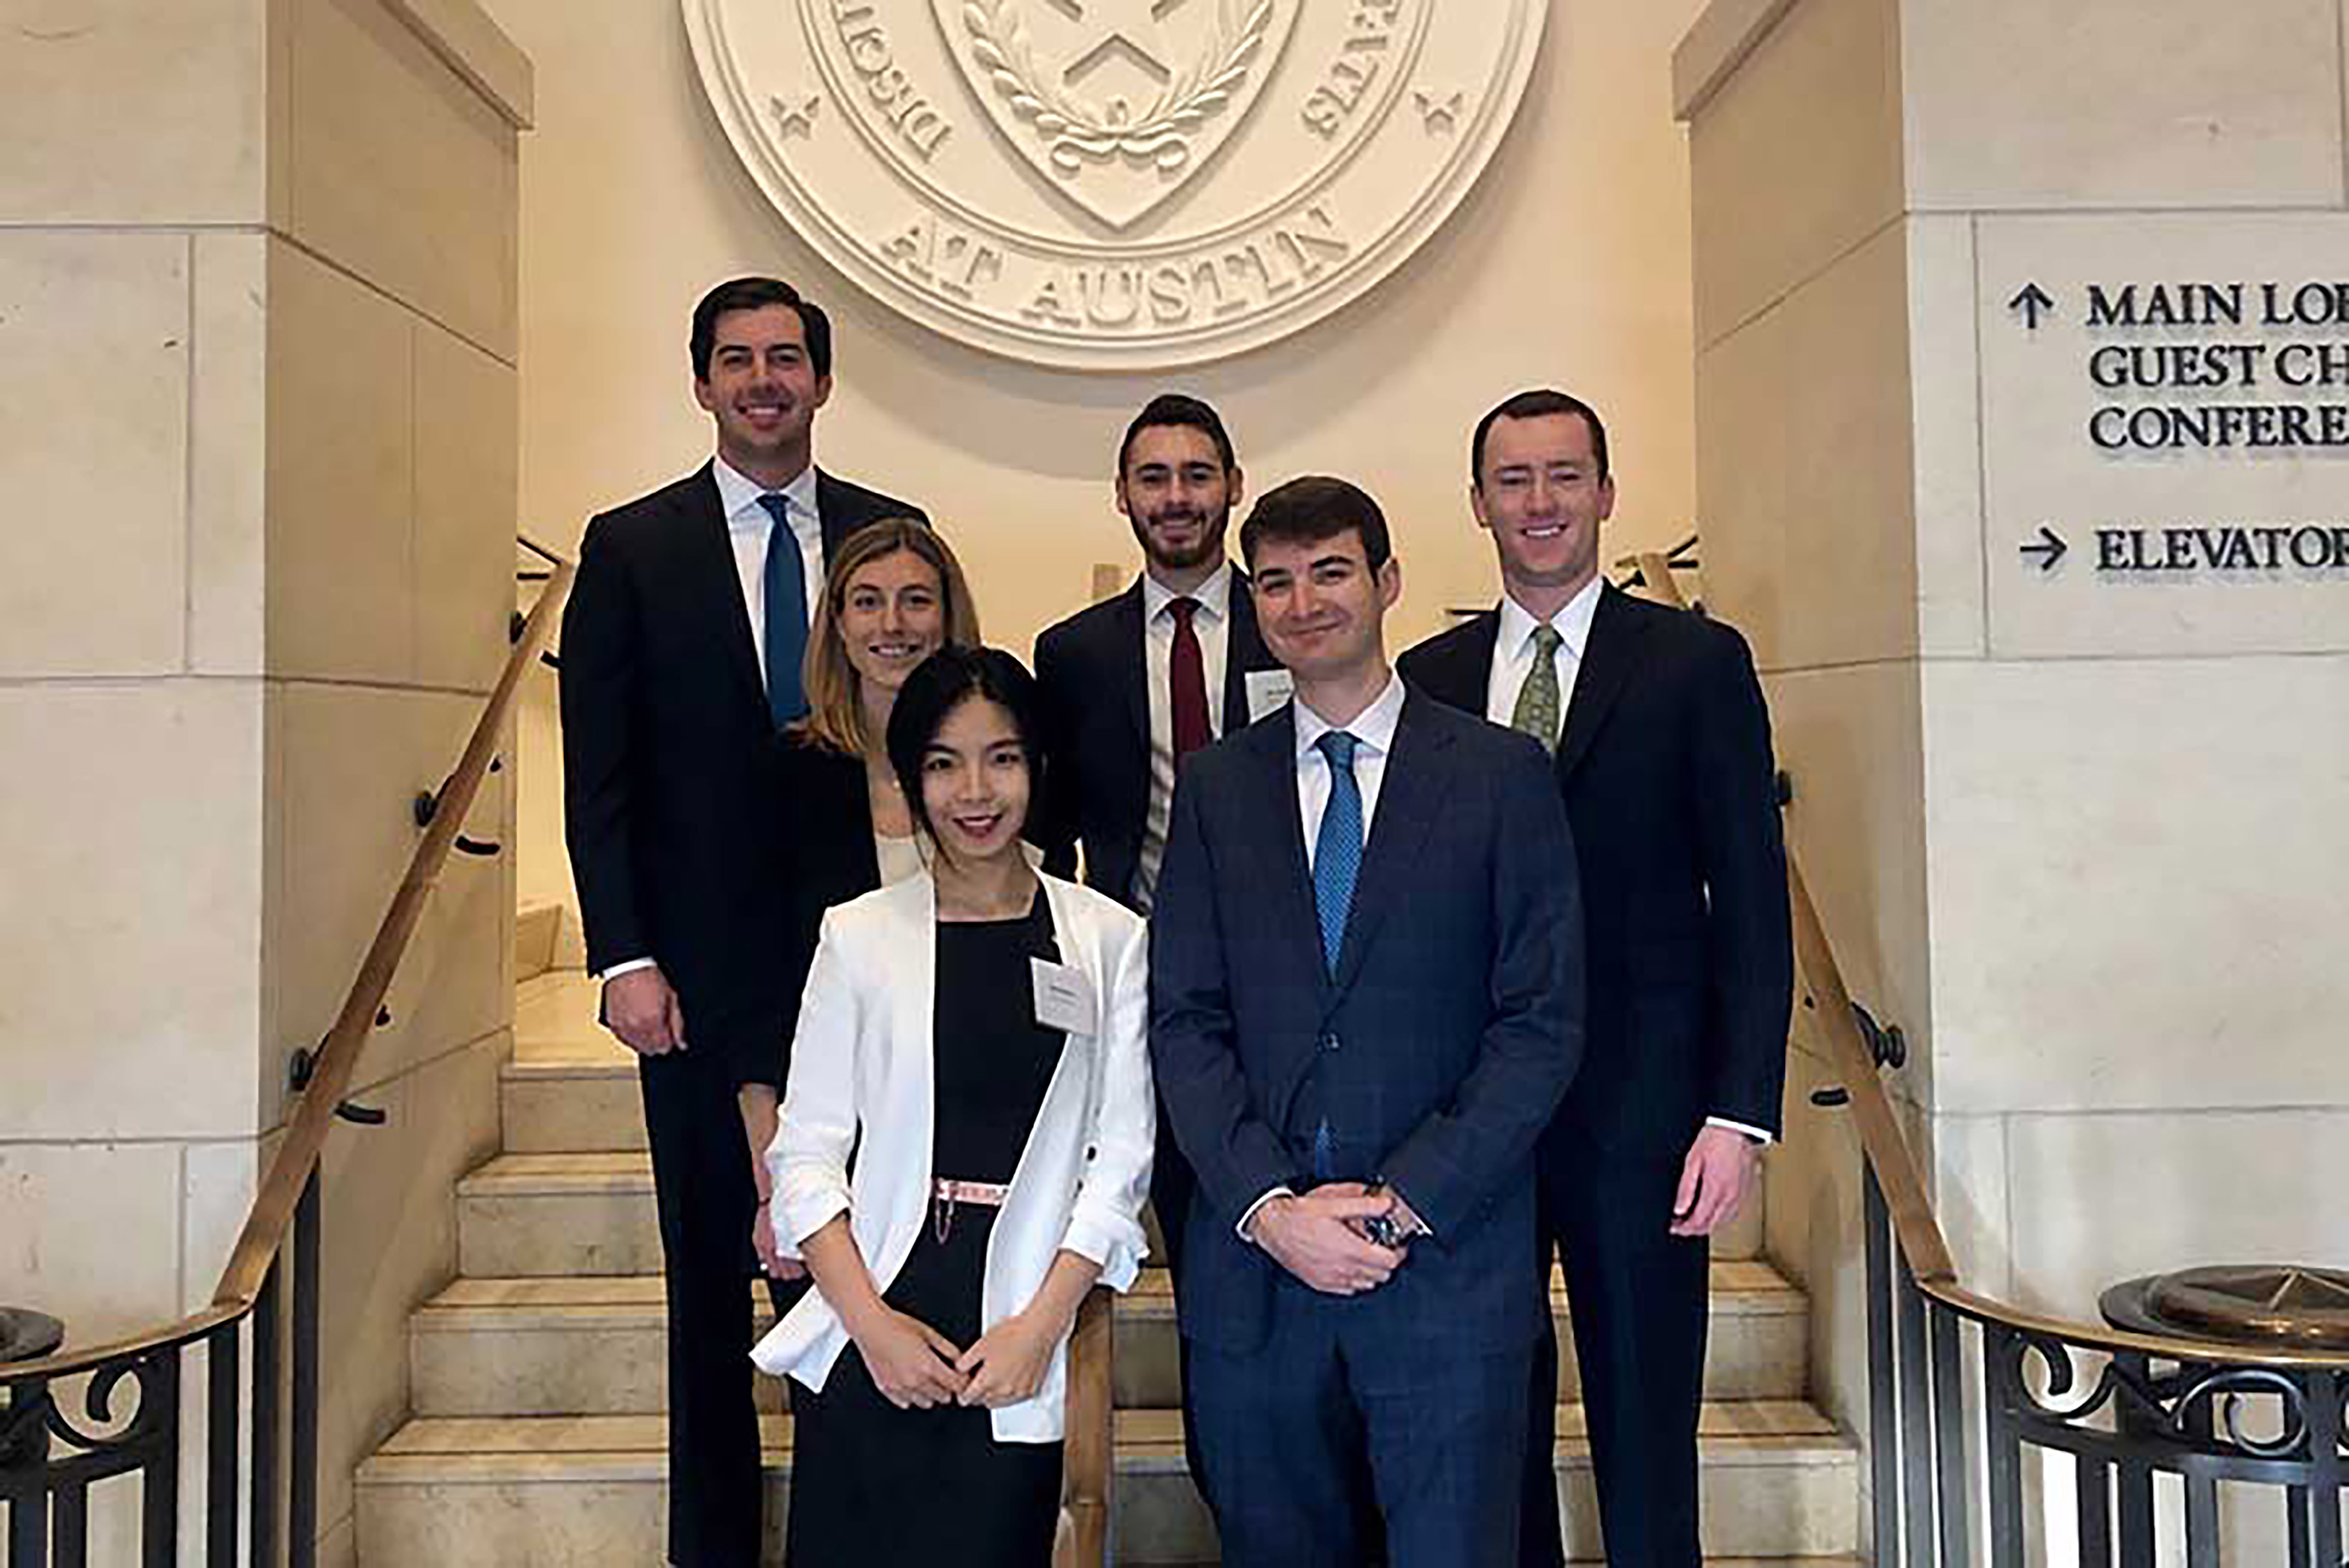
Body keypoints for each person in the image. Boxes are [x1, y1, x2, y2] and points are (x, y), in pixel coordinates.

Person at [558, 275, 927, 1567]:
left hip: (870, 960)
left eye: (787, 358)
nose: (763, 379)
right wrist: (623, 953)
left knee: (855, 1262)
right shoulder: (632, 544)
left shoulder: (896, 537)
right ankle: (711, 1545)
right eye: (737, 359)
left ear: (823, 383)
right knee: (716, 1273)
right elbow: (598, 773)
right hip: (701, 978)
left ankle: (852, 1523)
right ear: (702, 382)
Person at [1149, 476, 1584, 1566]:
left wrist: (1410, 1198)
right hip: (1262, 1280)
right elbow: (1185, 1021)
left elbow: (1540, 1021)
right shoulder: (1215, 787)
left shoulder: (1501, 776)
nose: (1305, 603)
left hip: (1447, 1275)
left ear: (1387, 582)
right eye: (1278, 582)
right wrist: (1269, 1207)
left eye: (1331, 572)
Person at [1396, 390, 1793, 1568]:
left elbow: (1753, 899)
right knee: (1491, 1412)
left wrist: (1739, 1111)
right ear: (1478, 504)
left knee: (1643, 1411)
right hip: (1477, 1116)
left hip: (1646, 1110)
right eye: (1514, 480)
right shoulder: (1429, 674)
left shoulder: (1695, 662)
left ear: (1607, 495)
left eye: (1565, 476)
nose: (1541, 503)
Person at [753, 646, 1156, 1568]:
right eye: (944, 763)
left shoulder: (1107, 940)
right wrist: (870, 1325)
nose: (976, 791)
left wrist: (1038, 1328)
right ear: (911, 778)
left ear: (1037, 768)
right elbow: (806, 1153)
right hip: (876, 1313)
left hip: (1015, 1325)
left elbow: (1119, 1161)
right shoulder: (857, 935)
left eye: (1002, 758)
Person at [740, 519, 984, 1281]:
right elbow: (757, 1000)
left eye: (917, 600)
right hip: (837, 1146)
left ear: (948, 619)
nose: (893, 625)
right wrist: (775, 1179)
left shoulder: (1005, 768)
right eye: (868, 602)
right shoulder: (786, 775)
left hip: (984, 1135)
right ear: (837, 625)